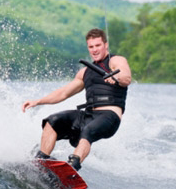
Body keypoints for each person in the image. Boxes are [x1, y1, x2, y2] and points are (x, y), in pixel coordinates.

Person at [22, 28, 132, 171]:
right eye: (91, 47)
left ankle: (72, 165)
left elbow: (126, 77)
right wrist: (38, 101)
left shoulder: (115, 60)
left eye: (98, 45)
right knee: (52, 121)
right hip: (88, 115)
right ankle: (42, 160)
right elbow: (63, 93)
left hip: (109, 116)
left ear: (105, 45)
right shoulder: (84, 72)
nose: (94, 50)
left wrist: (115, 77)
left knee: (88, 130)